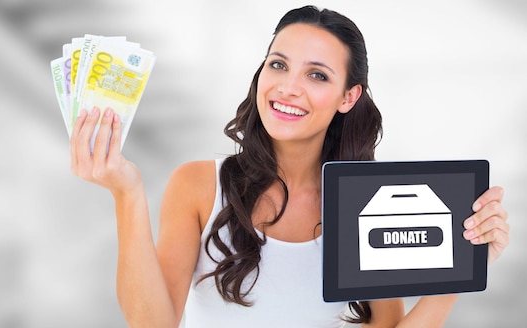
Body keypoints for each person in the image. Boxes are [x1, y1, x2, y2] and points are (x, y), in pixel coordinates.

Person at [69, 5, 509, 327]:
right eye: (278, 65)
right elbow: (151, 324)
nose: (288, 87)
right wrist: (126, 193)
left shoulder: (368, 202)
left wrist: (462, 271)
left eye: (317, 75)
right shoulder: (199, 184)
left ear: (348, 97)